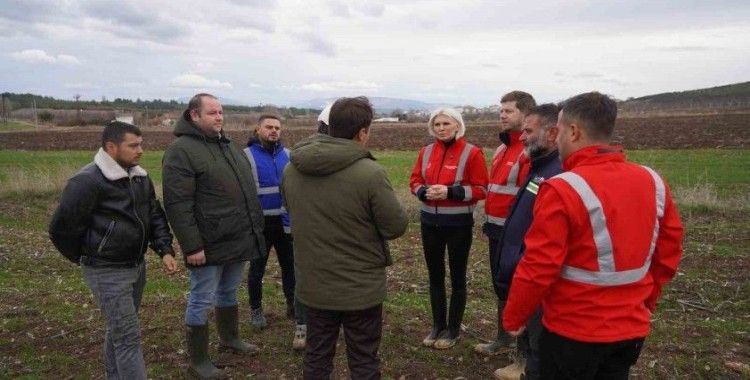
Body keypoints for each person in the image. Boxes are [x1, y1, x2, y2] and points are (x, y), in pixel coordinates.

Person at [503, 92, 684, 379]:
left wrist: (514, 316)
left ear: (573, 132)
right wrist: (647, 302)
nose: (557, 138)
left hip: (572, 330)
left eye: (559, 131)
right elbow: (668, 251)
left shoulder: (562, 188)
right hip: (630, 329)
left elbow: (539, 265)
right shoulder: (653, 180)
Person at [282, 96, 408, 379]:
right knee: (364, 359)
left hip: (313, 283)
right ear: (362, 132)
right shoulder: (370, 173)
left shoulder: (292, 169)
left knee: (317, 356)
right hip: (359, 287)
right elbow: (395, 226)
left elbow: (292, 210)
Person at [49, 121, 177, 380]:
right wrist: (91, 257)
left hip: (136, 266)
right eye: (133, 146)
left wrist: (164, 249)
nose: (140, 150)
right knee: (128, 337)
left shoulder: (139, 176)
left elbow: (153, 214)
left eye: (141, 144)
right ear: (110, 147)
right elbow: (61, 230)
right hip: (106, 271)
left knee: (118, 331)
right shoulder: (87, 181)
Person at [162, 93, 266, 379]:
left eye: (221, 112)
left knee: (229, 290)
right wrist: (192, 245)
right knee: (201, 297)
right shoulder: (180, 151)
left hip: (236, 237)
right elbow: (177, 204)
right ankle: (198, 360)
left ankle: (229, 338)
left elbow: (246, 193)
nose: (219, 117)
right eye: (212, 113)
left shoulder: (229, 146)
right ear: (194, 116)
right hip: (206, 243)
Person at [490, 104, 563, 380]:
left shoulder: (556, 173)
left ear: (553, 133)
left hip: (534, 272)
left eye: (529, 131)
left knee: (541, 346)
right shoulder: (539, 166)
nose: (522, 137)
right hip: (517, 260)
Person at [409, 108, 489, 349]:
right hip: (429, 223)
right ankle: (437, 326)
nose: (441, 128)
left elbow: (482, 189)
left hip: (458, 226)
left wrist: (450, 192)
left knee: (457, 278)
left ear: (458, 126)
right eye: (437, 124)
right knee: (435, 277)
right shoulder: (426, 152)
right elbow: (414, 181)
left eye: (446, 123)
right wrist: (422, 191)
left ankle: (452, 329)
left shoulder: (472, 153)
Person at [476, 91, 537, 356]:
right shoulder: (502, 149)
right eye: (501, 110)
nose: (502, 115)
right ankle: (503, 340)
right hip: (496, 229)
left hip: (517, 234)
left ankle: (523, 353)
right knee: (500, 285)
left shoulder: (529, 151)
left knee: (519, 289)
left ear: (525, 115)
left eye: (509, 111)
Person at [243, 114, 307, 349]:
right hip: (259, 224)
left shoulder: (289, 156)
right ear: (257, 129)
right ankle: (256, 309)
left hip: (285, 222)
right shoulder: (247, 156)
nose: (273, 131)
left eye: (277, 128)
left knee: (290, 267)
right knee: (256, 269)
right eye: (268, 127)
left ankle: (292, 304)